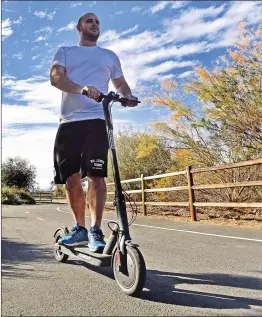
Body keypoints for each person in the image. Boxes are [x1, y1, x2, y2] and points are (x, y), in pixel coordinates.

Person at [50, 12, 138, 253]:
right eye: (90, 21)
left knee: (97, 175)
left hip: (98, 120)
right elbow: (56, 78)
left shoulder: (109, 56)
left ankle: (95, 229)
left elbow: (120, 83)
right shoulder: (66, 51)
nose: (95, 24)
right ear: (79, 27)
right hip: (69, 122)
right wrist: (82, 89)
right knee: (71, 178)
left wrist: (127, 95)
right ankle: (79, 228)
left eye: (98, 21)